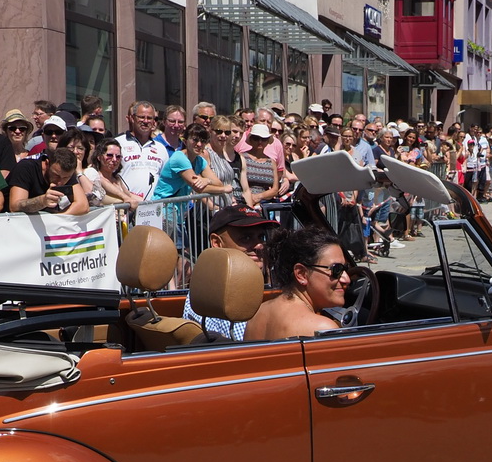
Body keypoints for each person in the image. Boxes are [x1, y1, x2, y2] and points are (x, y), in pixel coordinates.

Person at [182, 206, 280, 341]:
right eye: (246, 238)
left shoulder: (202, 289)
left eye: (261, 237)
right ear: (217, 242)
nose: (259, 245)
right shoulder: (213, 296)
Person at [243, 226, 350, 341]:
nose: (347, 279)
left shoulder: (258, 313)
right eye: (337, 269)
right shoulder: (322, 329)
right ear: (301, 274)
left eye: (346, 268)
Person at [8, 148, 91, 215]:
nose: (60, 182)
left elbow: (83, 205)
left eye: (66, 178)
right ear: (47, 163)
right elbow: (14, 207)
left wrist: (57, 218)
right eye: (56, 175)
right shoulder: (26, 168)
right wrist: (42, 201)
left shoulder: (65, 173)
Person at [117, 101, 169, 198]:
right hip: (126, 204)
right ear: (132, 118)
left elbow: (165, 180)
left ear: (154, 122)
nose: (145, 121)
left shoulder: (161, 148)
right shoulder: (118, 143)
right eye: (141, 117)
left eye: (149, 118)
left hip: (154, 205)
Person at [84, 137, 142, 205]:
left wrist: (148, 202)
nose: (114, 159)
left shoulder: (117, 179)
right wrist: (125, 198)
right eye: (110, 155)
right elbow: (104, 182)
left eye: (118, 156)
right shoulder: (93, 175)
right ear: (99, 157)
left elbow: (129, 195)